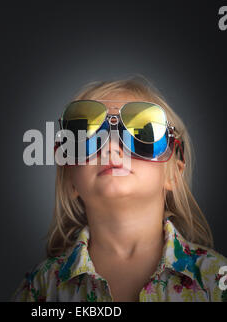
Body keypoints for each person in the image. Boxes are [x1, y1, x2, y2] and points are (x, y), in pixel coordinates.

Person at [13, 77, 227, 302]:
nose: (111, 147)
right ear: (70, 182)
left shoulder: (216, 279)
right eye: (86, 136)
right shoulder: (42, 287)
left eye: (142, 132)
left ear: (173, 173)